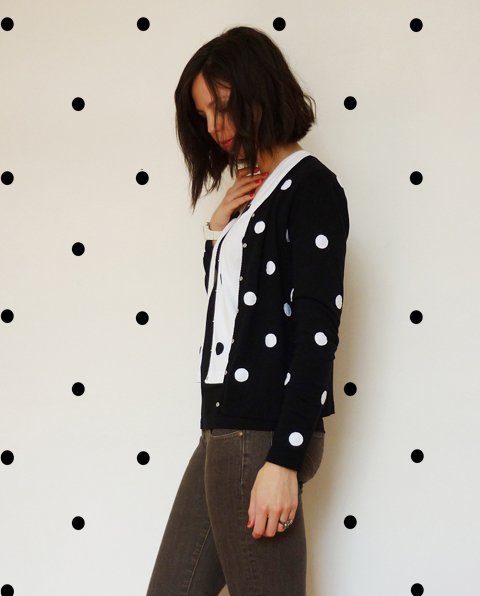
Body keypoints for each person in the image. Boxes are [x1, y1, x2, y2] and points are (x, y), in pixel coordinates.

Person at [146, 25, 349, 596]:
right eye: (203, 115)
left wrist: (284, 460)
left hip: (262, 433)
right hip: (223, 427)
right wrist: (218, 231)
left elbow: (316, 333)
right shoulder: (253, 196)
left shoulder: (311, 188)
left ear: (259, 88)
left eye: (222, 105)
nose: (214, 127)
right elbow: (232, 312)